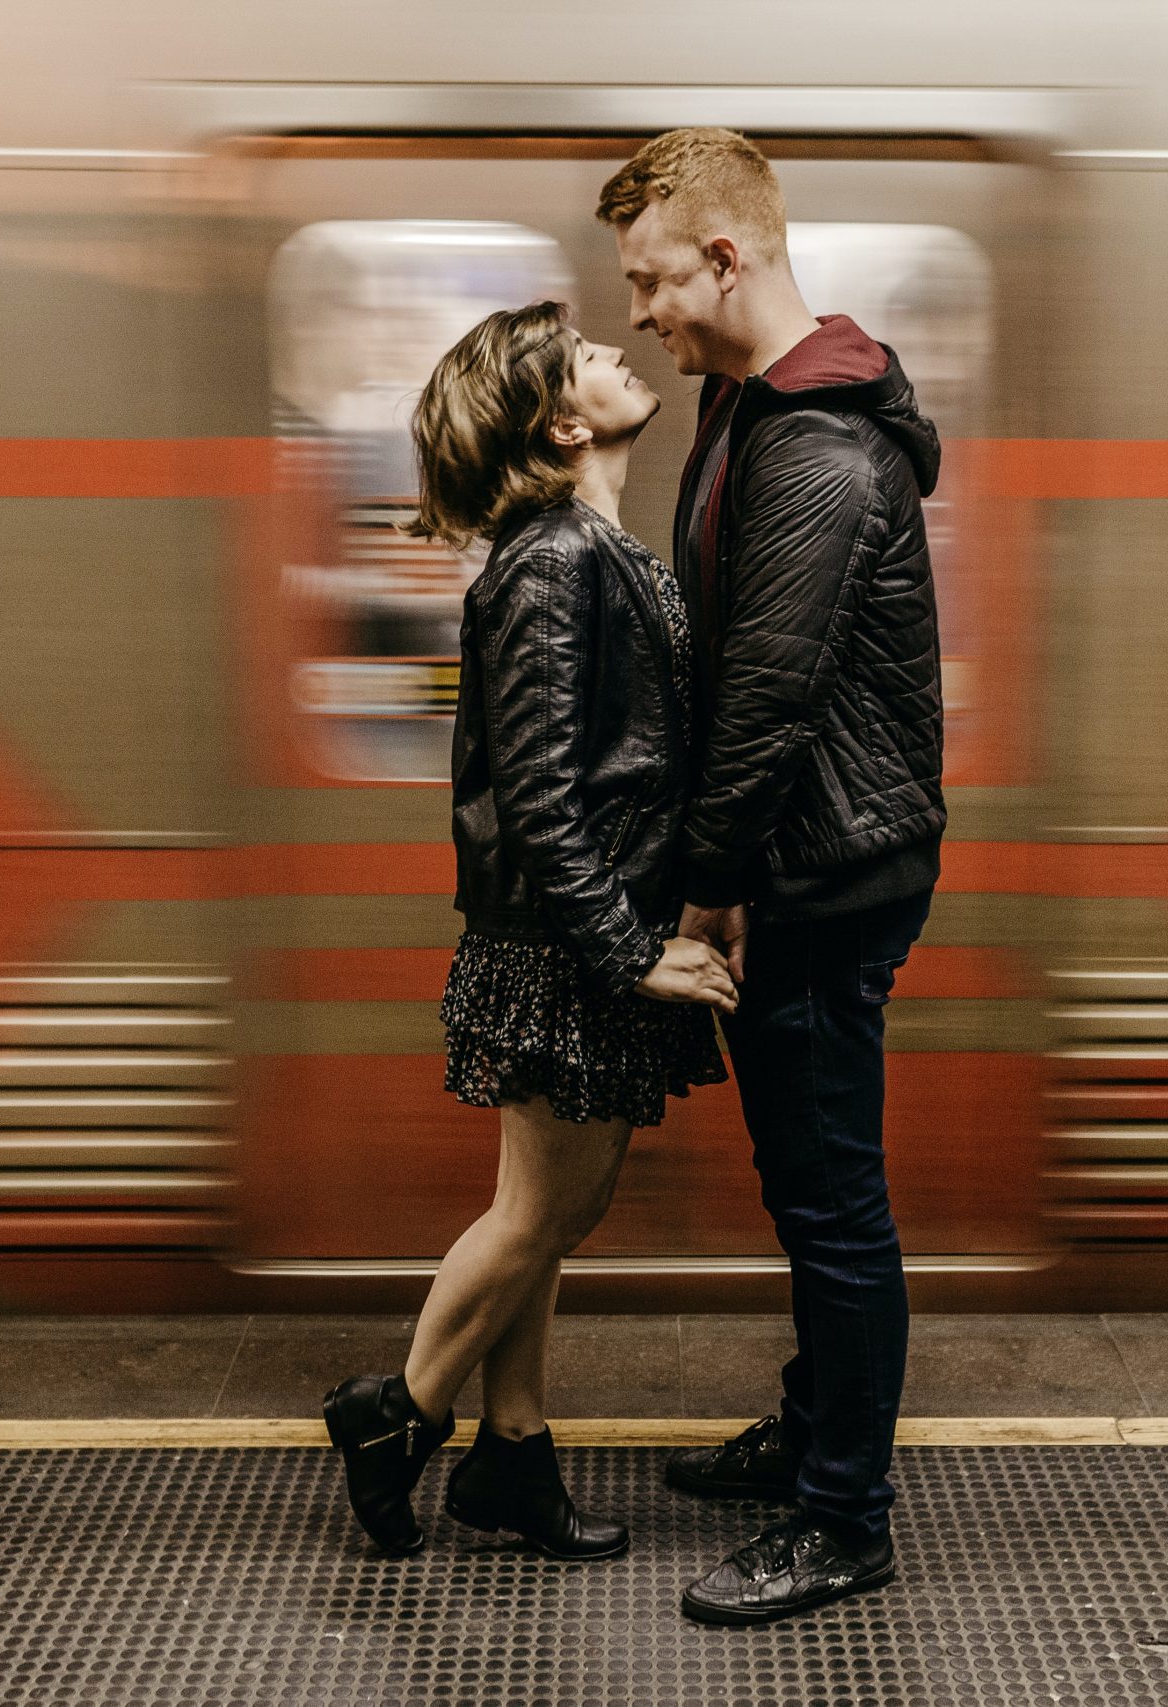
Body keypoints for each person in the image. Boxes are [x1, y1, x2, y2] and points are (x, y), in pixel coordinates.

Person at [321, 301, 739, 1561]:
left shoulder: (579, 544)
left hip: (567, 929)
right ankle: (395, 1416)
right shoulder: (556, 558)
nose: (618, 353)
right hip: (567, 941)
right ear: (562, 422)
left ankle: (514, 1454)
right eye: (587, 360)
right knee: (544, 1215)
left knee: (541, 1216)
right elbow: (544, 793)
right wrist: (630, 951)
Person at [599, 128, 948, 1626]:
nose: (638, 312)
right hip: (811, 852)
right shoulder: (754, 401)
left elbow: (763, 703)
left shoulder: (815, 444)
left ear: (725, 257)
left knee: (833, 1204)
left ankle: (843, 1516)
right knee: (806, 1180)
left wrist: (699, 895)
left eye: (652, 277)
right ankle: (817, 1432)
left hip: (825, 866)